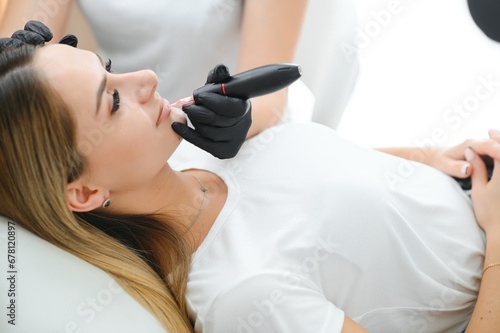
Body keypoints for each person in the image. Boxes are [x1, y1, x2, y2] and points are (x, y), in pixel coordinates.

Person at [2, 42, 500, 333]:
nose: (147, 78)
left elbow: (331, 179)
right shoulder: (243, 298)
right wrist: (497, 232)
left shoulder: (196, 150)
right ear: (85, 193)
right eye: (111, 101)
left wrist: (431, 160)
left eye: (109, 68)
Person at [0, 0, 308, 159]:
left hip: (243, 130)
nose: (150, 78)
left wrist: (239, 118)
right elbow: (14, 65)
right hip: (119, 142)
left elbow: (267, 90)